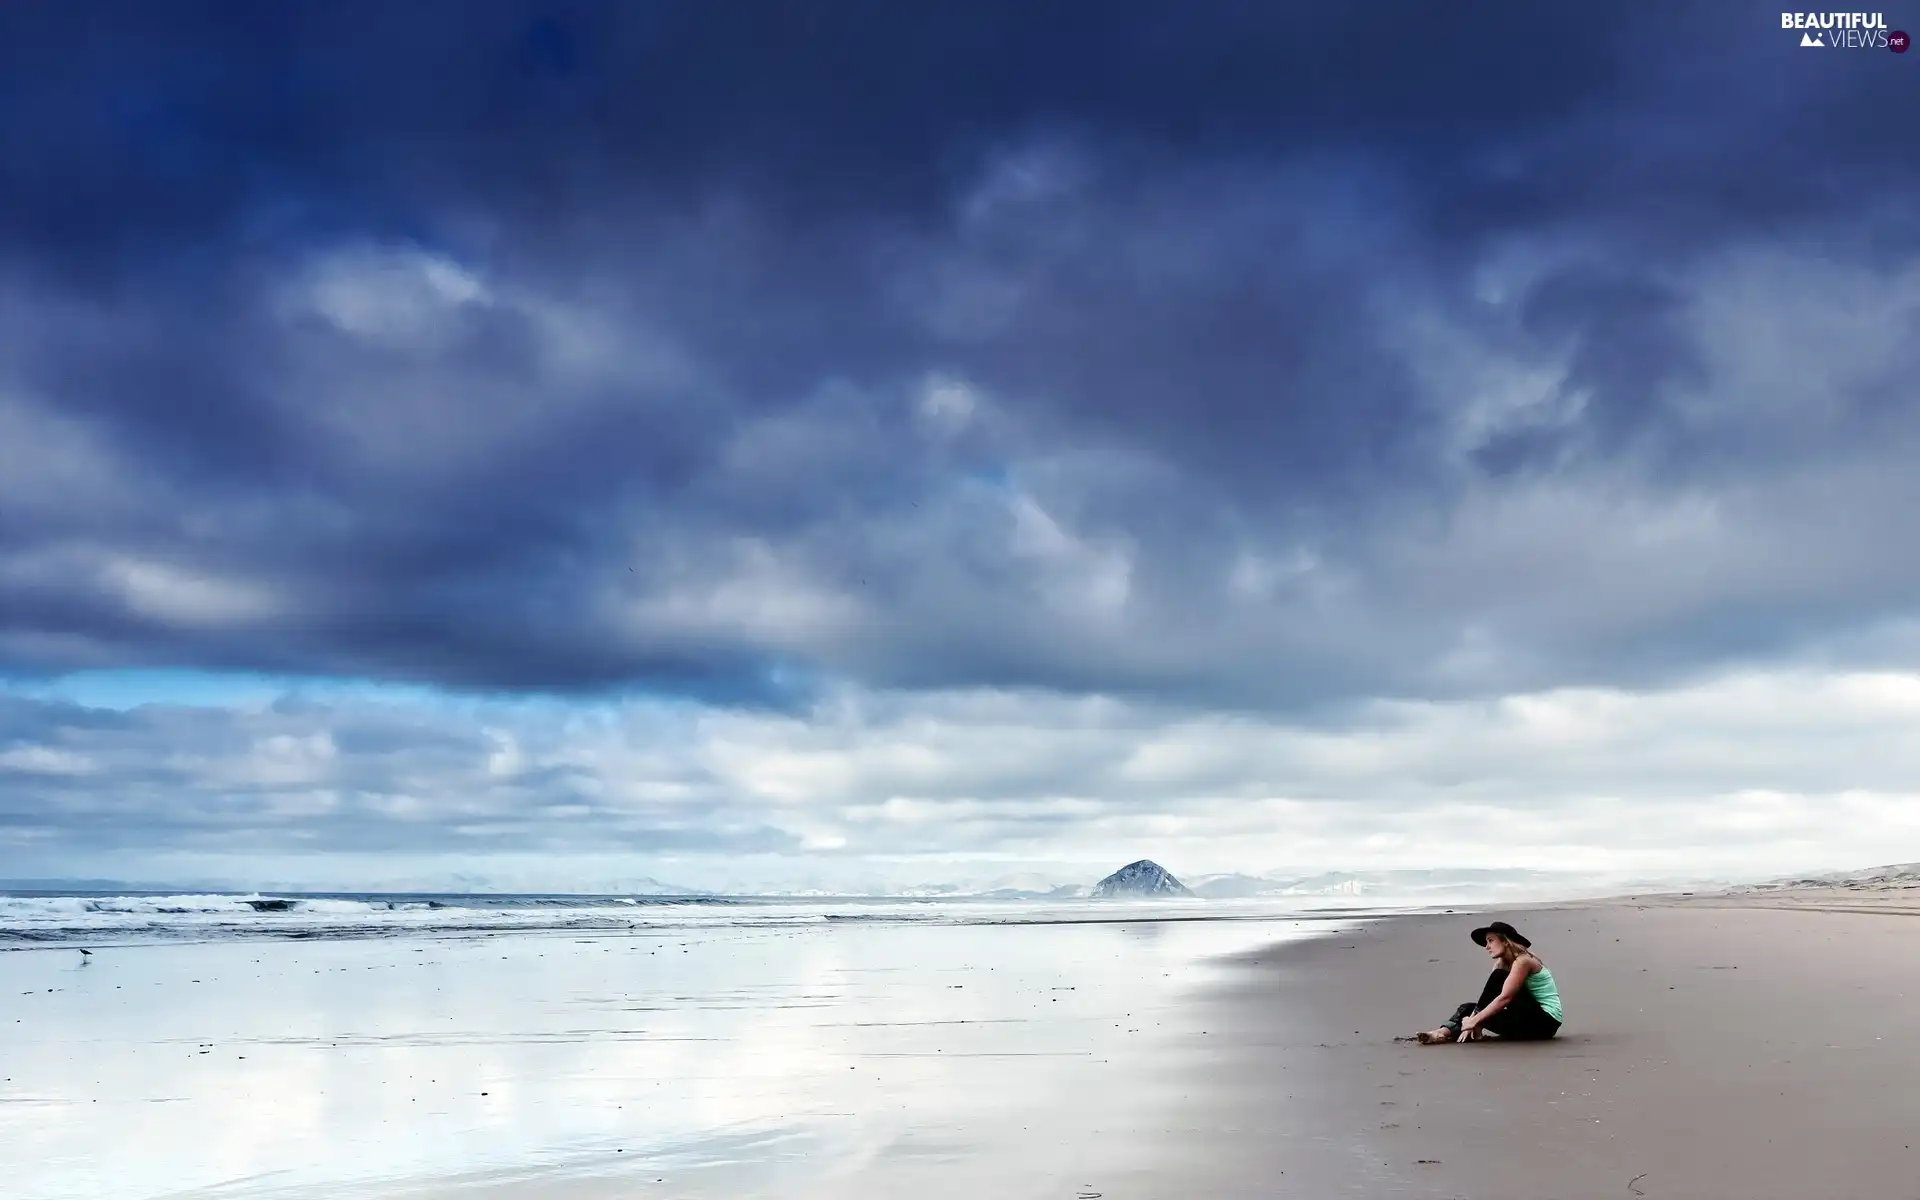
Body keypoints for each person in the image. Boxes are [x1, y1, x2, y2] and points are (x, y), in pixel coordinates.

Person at [1415, 920, 1562, 1043]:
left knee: (1496, 980)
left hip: (1545, 1024)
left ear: (1505, 941)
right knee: (1467, 1008)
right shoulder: (1501, 965)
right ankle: (1439, 1033)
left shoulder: (1524, 961)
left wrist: (1474, 1021)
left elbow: (1505, 998)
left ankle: (1468, 1027)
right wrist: (1474, 1018)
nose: (1486, 947)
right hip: (1524, 1025)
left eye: (1491, 941)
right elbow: (1488, 997)